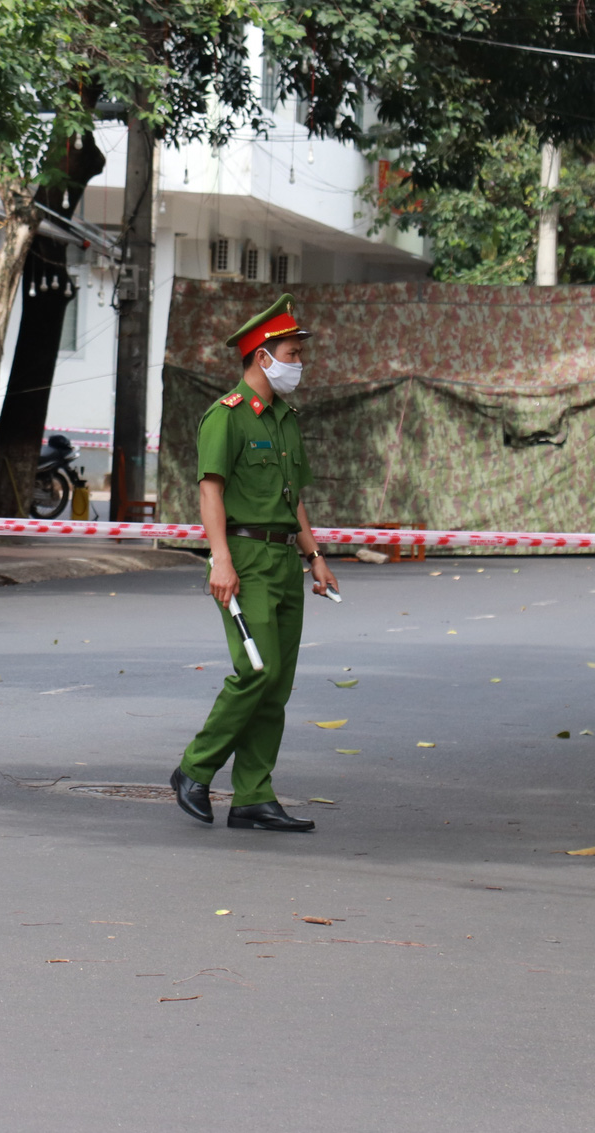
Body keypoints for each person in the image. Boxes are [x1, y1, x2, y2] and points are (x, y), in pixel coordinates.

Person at [171, 294, 340, 833]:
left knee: (278, 683)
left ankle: (253, 795)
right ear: (262, 357)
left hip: (285, 560)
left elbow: (293, 497)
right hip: (242, 557)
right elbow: (210, 493)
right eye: (292, 352)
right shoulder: (227, 417)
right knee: (256, 670)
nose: (299, 363)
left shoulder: (287, 419)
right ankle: (194, 770)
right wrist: (220, 559)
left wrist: (314, 556)